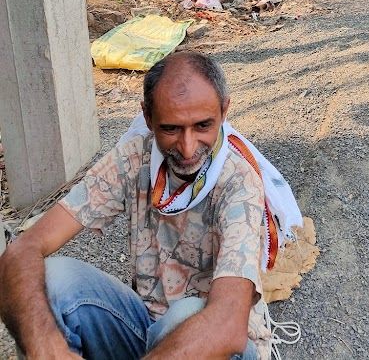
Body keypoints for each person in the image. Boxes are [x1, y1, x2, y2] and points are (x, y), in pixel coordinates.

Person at [0, 52, 273, 360]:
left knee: (186, 314)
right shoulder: (132, 159)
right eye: (170, 128)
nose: (187, 147)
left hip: (213, 344)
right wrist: (45, 346)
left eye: (202, 126)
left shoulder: (238, 182)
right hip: (146, 333)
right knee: (52, 281)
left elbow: (226, 323)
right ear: (147, 117)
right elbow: (21, 251)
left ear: (224, 112)